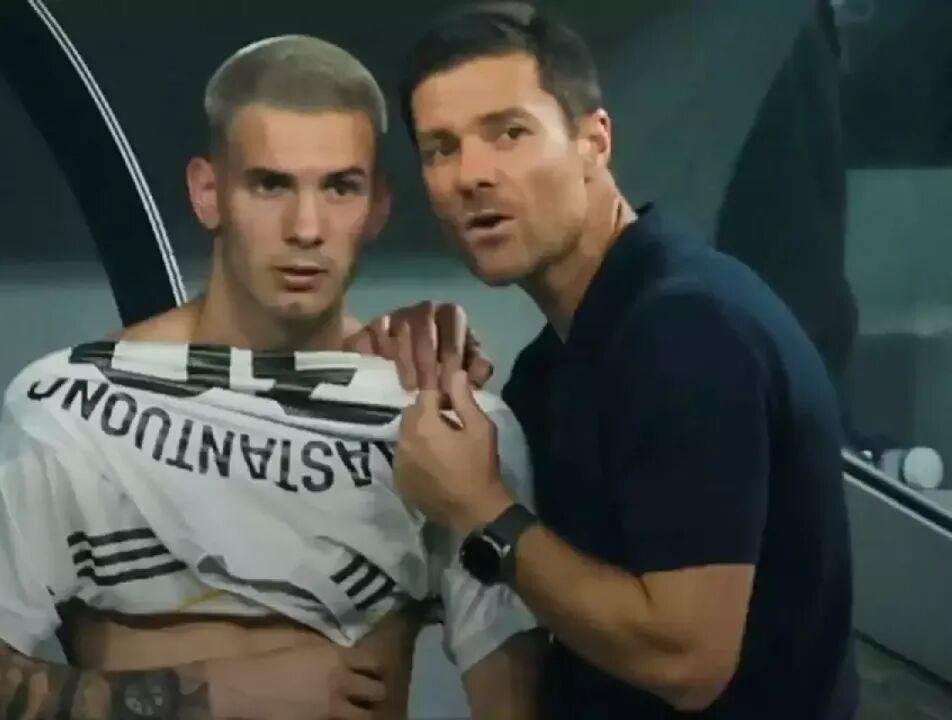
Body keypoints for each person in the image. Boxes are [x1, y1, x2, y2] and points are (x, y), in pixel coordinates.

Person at [0, 35, 542, 720]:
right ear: (208, 192)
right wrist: (222, 692)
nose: (306, 228)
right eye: (271, 185)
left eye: (340, 187)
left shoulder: (447, 423)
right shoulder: (71, 407)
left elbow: (513, 707)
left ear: (377, 206)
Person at [363, 3, 858, 718]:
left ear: (594, 140)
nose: (471, 174)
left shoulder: (687, 330)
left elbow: (687, 661)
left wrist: (479, 505)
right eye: (442, 148)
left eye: (509, 133)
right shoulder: (558, 363)